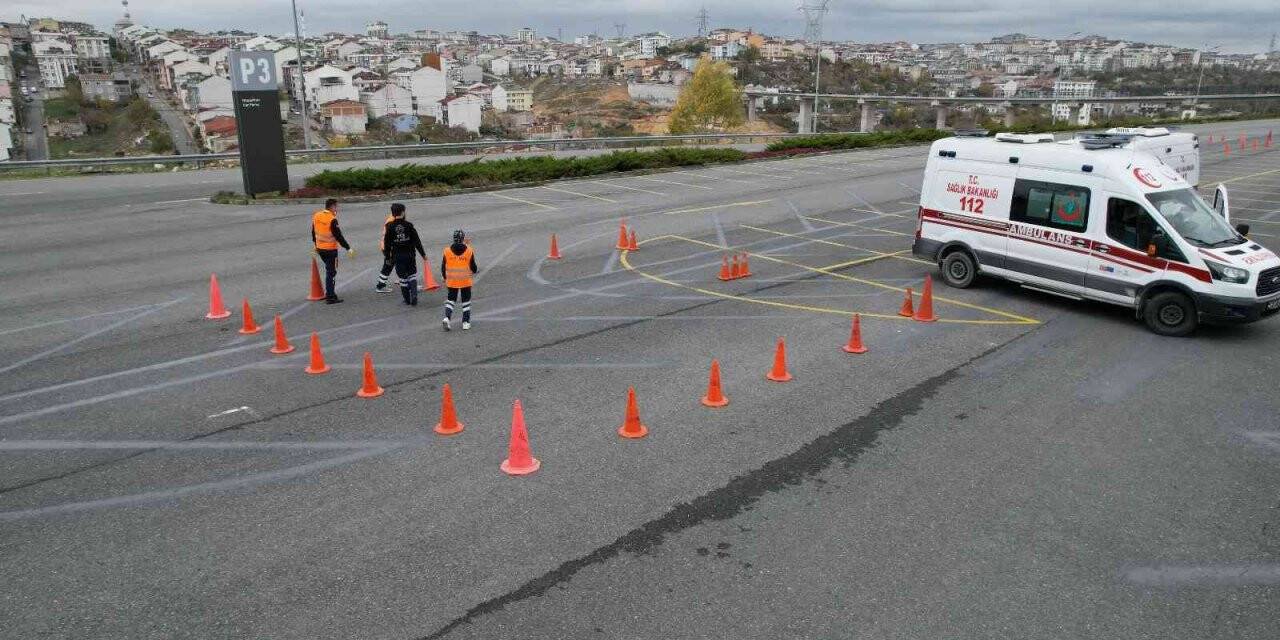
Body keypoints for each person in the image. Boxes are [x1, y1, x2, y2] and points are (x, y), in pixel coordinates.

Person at [381, 203, 427, 305]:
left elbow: (387, 244)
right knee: (412, 275)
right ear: (402, 212)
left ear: (393, 214)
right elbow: (417, 241)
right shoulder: (409, 225)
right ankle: (414, 294)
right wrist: (423, 254)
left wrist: (388, 257)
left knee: (402, 279)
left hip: (397, 257)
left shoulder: (390, 227)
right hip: (410, 255)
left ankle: (407, 300)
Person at [311, 198, 354, 304]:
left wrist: (316, 245)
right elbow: (338, 236)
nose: (337, 209)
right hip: (330, 250)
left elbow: (313, 232)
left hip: (320, 249)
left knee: (329, 270)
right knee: (331, 273)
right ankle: (330, 296)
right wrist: (348, 248)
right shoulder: (332, 219)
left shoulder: (317, 215)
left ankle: (329, 293)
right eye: (336, 206)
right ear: (333, 206)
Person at [441, 229, 478, 331]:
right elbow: (474, 267)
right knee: (466, 301)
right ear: (463, 239)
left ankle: (447, 318)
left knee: (451, 300)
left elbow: (443, 267)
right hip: (465, 281)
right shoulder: (469, 251)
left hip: (452, 281)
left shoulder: (447, 251)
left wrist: (445, 277)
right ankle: (465, 322)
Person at [374, 208, 398, 293]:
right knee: (388, 266)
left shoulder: (391, 218)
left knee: (398, 263)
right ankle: (380, 286)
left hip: (387, 247)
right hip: (389, 248)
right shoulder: (392, 221)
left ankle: (402, 279)